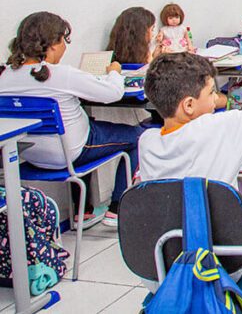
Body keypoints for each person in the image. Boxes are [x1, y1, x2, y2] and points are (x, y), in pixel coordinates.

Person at [0, 12, 140, 227]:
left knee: (86, 123)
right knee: (137, 136)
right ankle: (116, 209)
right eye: (63, 41)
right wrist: (114, 71)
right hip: (72, 152)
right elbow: (113, 93)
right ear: (52, 44)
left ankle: (83, 212)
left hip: (28, 155)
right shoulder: (61, 74)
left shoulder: (4, 76)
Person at [138, 52, 242, 186]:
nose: (216, 98)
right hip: (221, 215)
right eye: (211, 92)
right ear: (189, 105)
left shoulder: (147, 143)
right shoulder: (219, 126)